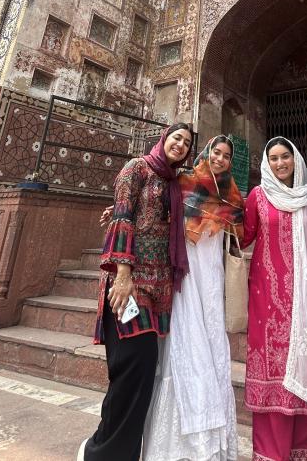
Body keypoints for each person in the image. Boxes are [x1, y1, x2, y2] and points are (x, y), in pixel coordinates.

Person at [81, 123, 194, 461]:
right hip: (128, 287)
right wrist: (123, 274)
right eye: (176, 138)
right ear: (164, 139)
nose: (181, 145)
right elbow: (123, 216)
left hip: (157, 290)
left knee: (142, 377)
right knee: (130, 371)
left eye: (187, 143)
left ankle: (117, 451)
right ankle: (101, 452)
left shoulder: (174, 184)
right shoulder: (138, 167)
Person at [143, 135, 245, 461]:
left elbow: (241, 229)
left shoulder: (231, 194)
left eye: (226, 155)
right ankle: (182, 436)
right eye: (215, 152)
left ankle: (213, 431)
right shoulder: (185, 181)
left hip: (212, 275)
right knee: (187, 341)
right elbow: (157, 205)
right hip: (187, 270)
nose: (219, 159)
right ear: (205, 153)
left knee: (211, 338)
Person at [241, 136, 307, 461]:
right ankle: (272, 453)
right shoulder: (258, 196)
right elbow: (241, 236)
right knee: (274, 375)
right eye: (274, 159)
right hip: (267, 304)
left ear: (296, 160)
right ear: (266, 164)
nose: (280, 163)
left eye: (286, 157)